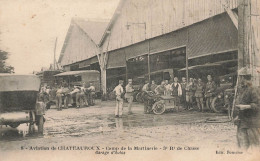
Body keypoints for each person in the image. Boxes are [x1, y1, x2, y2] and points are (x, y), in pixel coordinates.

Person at [235, 67, 260, 149]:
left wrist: (246, 106)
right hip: (242, 122)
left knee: (254, 148)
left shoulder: (253, 88)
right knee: (243, 147)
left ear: (243, 77)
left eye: (239, 77)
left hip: (251, 124)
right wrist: (237, 116)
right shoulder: (242, 89)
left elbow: (258, 105)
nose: (239, 79)